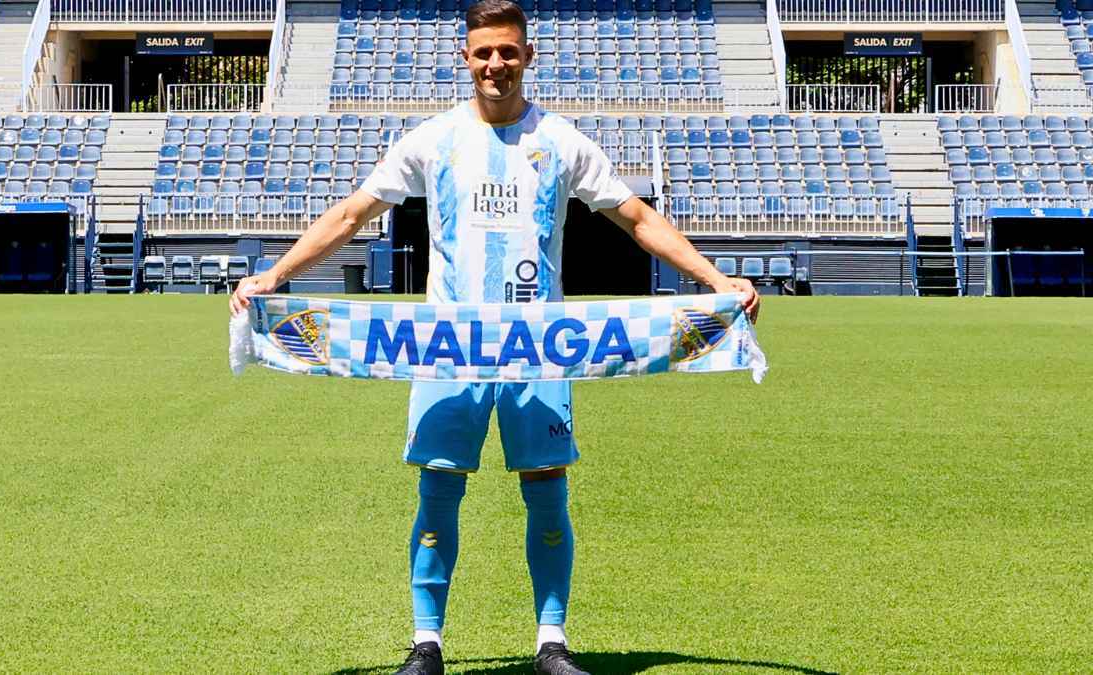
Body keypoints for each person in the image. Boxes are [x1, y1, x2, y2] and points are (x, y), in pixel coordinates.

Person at [231, 1, 759, 671]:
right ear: (466, 58)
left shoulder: (561, 142)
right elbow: (351, 213)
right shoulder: (434, 139)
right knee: (438, 490)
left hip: (539, 351)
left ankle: (552, 643)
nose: (495, 64)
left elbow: (636, 218)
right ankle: (427, 644)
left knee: (546, 488)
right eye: (484, 52)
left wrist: (717, 280)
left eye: (508, 52)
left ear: (527, 57)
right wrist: (274, 274)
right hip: (450, 348)